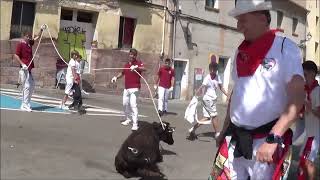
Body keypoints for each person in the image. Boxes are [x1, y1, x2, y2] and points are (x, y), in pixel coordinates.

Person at [209, 0, 305, 179]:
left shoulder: (285, 47)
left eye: (242, 20)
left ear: (262, 17)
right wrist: (224, 130)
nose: (238, 26)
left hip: (265, 144)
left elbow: (297, 96)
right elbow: (237, 93)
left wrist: (273, 138)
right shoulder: (240, 52)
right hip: (235, 140)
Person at [187, 62, 228, 140]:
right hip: (208, 99)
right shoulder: (207, 77)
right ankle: (217, 134)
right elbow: (202, 86)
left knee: (207, 117)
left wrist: (227, 95)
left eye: (214, 69)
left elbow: (221, 87)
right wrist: (195, 95)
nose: (213, 70)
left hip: (211, 99)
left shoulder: (218, 77)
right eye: (211, 69)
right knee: (214, 116)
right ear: (209, 69)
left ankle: (192, 129)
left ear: (216, 69)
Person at [111, 48, 146, 131]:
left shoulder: (138, 63)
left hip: (135, 88)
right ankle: (128, 119)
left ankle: (135, 124)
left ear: (135, 56)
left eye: (133, 55)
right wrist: (116, 77)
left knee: (133, 105)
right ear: (129, 55)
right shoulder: (127, 65)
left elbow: (144, 68)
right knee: (125, 103)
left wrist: (136, 67)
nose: (132, 56)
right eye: (131, 54)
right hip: (127, 88)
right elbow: (122, 73)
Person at [14, 27, 45, 112]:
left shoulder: (29, 43)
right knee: (26, 86)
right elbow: (16, 55)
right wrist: (22, 64)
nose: (28, 38)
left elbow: (37, 37)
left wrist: (41, 30)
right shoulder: (20, 44)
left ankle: (26, 103)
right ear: (23, 36)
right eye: (27, 36)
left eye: (29, 36)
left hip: (29, 69)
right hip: (24, 68)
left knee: (32, 85)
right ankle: (24, 105)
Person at [298, 61, 319, 180]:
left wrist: (309, 107)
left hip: (315, 135)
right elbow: (303, 113)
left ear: (312, 74)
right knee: (303, 162)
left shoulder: (317, 91)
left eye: (305, 74)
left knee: (308, 163)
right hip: (309, 133)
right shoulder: (306, 91)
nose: (303, 77)